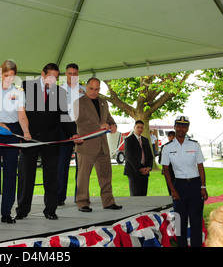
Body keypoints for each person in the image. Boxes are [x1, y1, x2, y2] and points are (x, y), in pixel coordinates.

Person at [15, 63, 82, 220]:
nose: (53, 81)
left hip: (51, 140)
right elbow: (19, 112)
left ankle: (50, 210)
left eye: (56, 78)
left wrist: (73, 133)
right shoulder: (27, 86)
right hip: (30, 138)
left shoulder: (59, 92)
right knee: (26, 176)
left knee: (51, 176)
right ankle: (22, 210)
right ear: (42, 74)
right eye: (50, 77)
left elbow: (64, 115)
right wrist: (22, 134)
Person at [0, 60, 31, 224]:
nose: (9, 79)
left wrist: (26, 132)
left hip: (12, 134)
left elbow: (22, 115)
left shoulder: (18, 92)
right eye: (6, 75)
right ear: (0, 74)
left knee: (10, 174)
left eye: (12, 76)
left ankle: (6, 213)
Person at [74, 77, 122, 212]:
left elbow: (108, 117)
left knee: (106, 175)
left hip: (103, 145)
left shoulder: (103, 102)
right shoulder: (79, 103)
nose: (94, 92)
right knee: (83, 176)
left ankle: (108, 202)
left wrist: (113, 125)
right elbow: (80, 122)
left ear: (99, 89)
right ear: (86, 88)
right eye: (91, 89)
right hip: (86, 146)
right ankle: (82, 202)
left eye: (97, 89)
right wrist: (99, 126)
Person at [161, 116, 208, 247]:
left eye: (184, 126)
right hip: (179, 186)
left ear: (187, 128)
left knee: (196, 221)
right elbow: (166, 169)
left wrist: (203, 187)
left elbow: (200, 166)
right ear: (175, 127)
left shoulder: (195, 145)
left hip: (195, 185)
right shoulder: (167, 147)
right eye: (179, 126)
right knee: (180, 222)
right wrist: (172, 190)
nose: (181, 129)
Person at [57, 63, 86, 205]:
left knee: (83, 165)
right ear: (65, 74)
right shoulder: (58, 90)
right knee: (62, 163)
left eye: (75, 73)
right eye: (70, 73)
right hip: (63, 127)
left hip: (81, 127)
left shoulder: (84, 90)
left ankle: (79, 196)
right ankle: (59, 196)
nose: (72, 76)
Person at [123, 120, 153, 196]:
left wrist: (149, 167)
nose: (140, 129)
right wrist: (139, 169)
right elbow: (129, 157)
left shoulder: (145, 140)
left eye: (141, 127)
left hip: (145, 172)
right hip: (134, 171)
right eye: (138, 127)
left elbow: (150, 155)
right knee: (135, 195)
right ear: (134, 128)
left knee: (144, 194)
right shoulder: (129, 140)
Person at [159, 130, 175, 195]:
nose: (171, 138)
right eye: (170, 136)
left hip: (177, 171)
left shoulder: (179, 146)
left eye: (173, 136)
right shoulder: (164, 147)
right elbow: (160, 160)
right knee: (170, 189)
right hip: (168, 171)